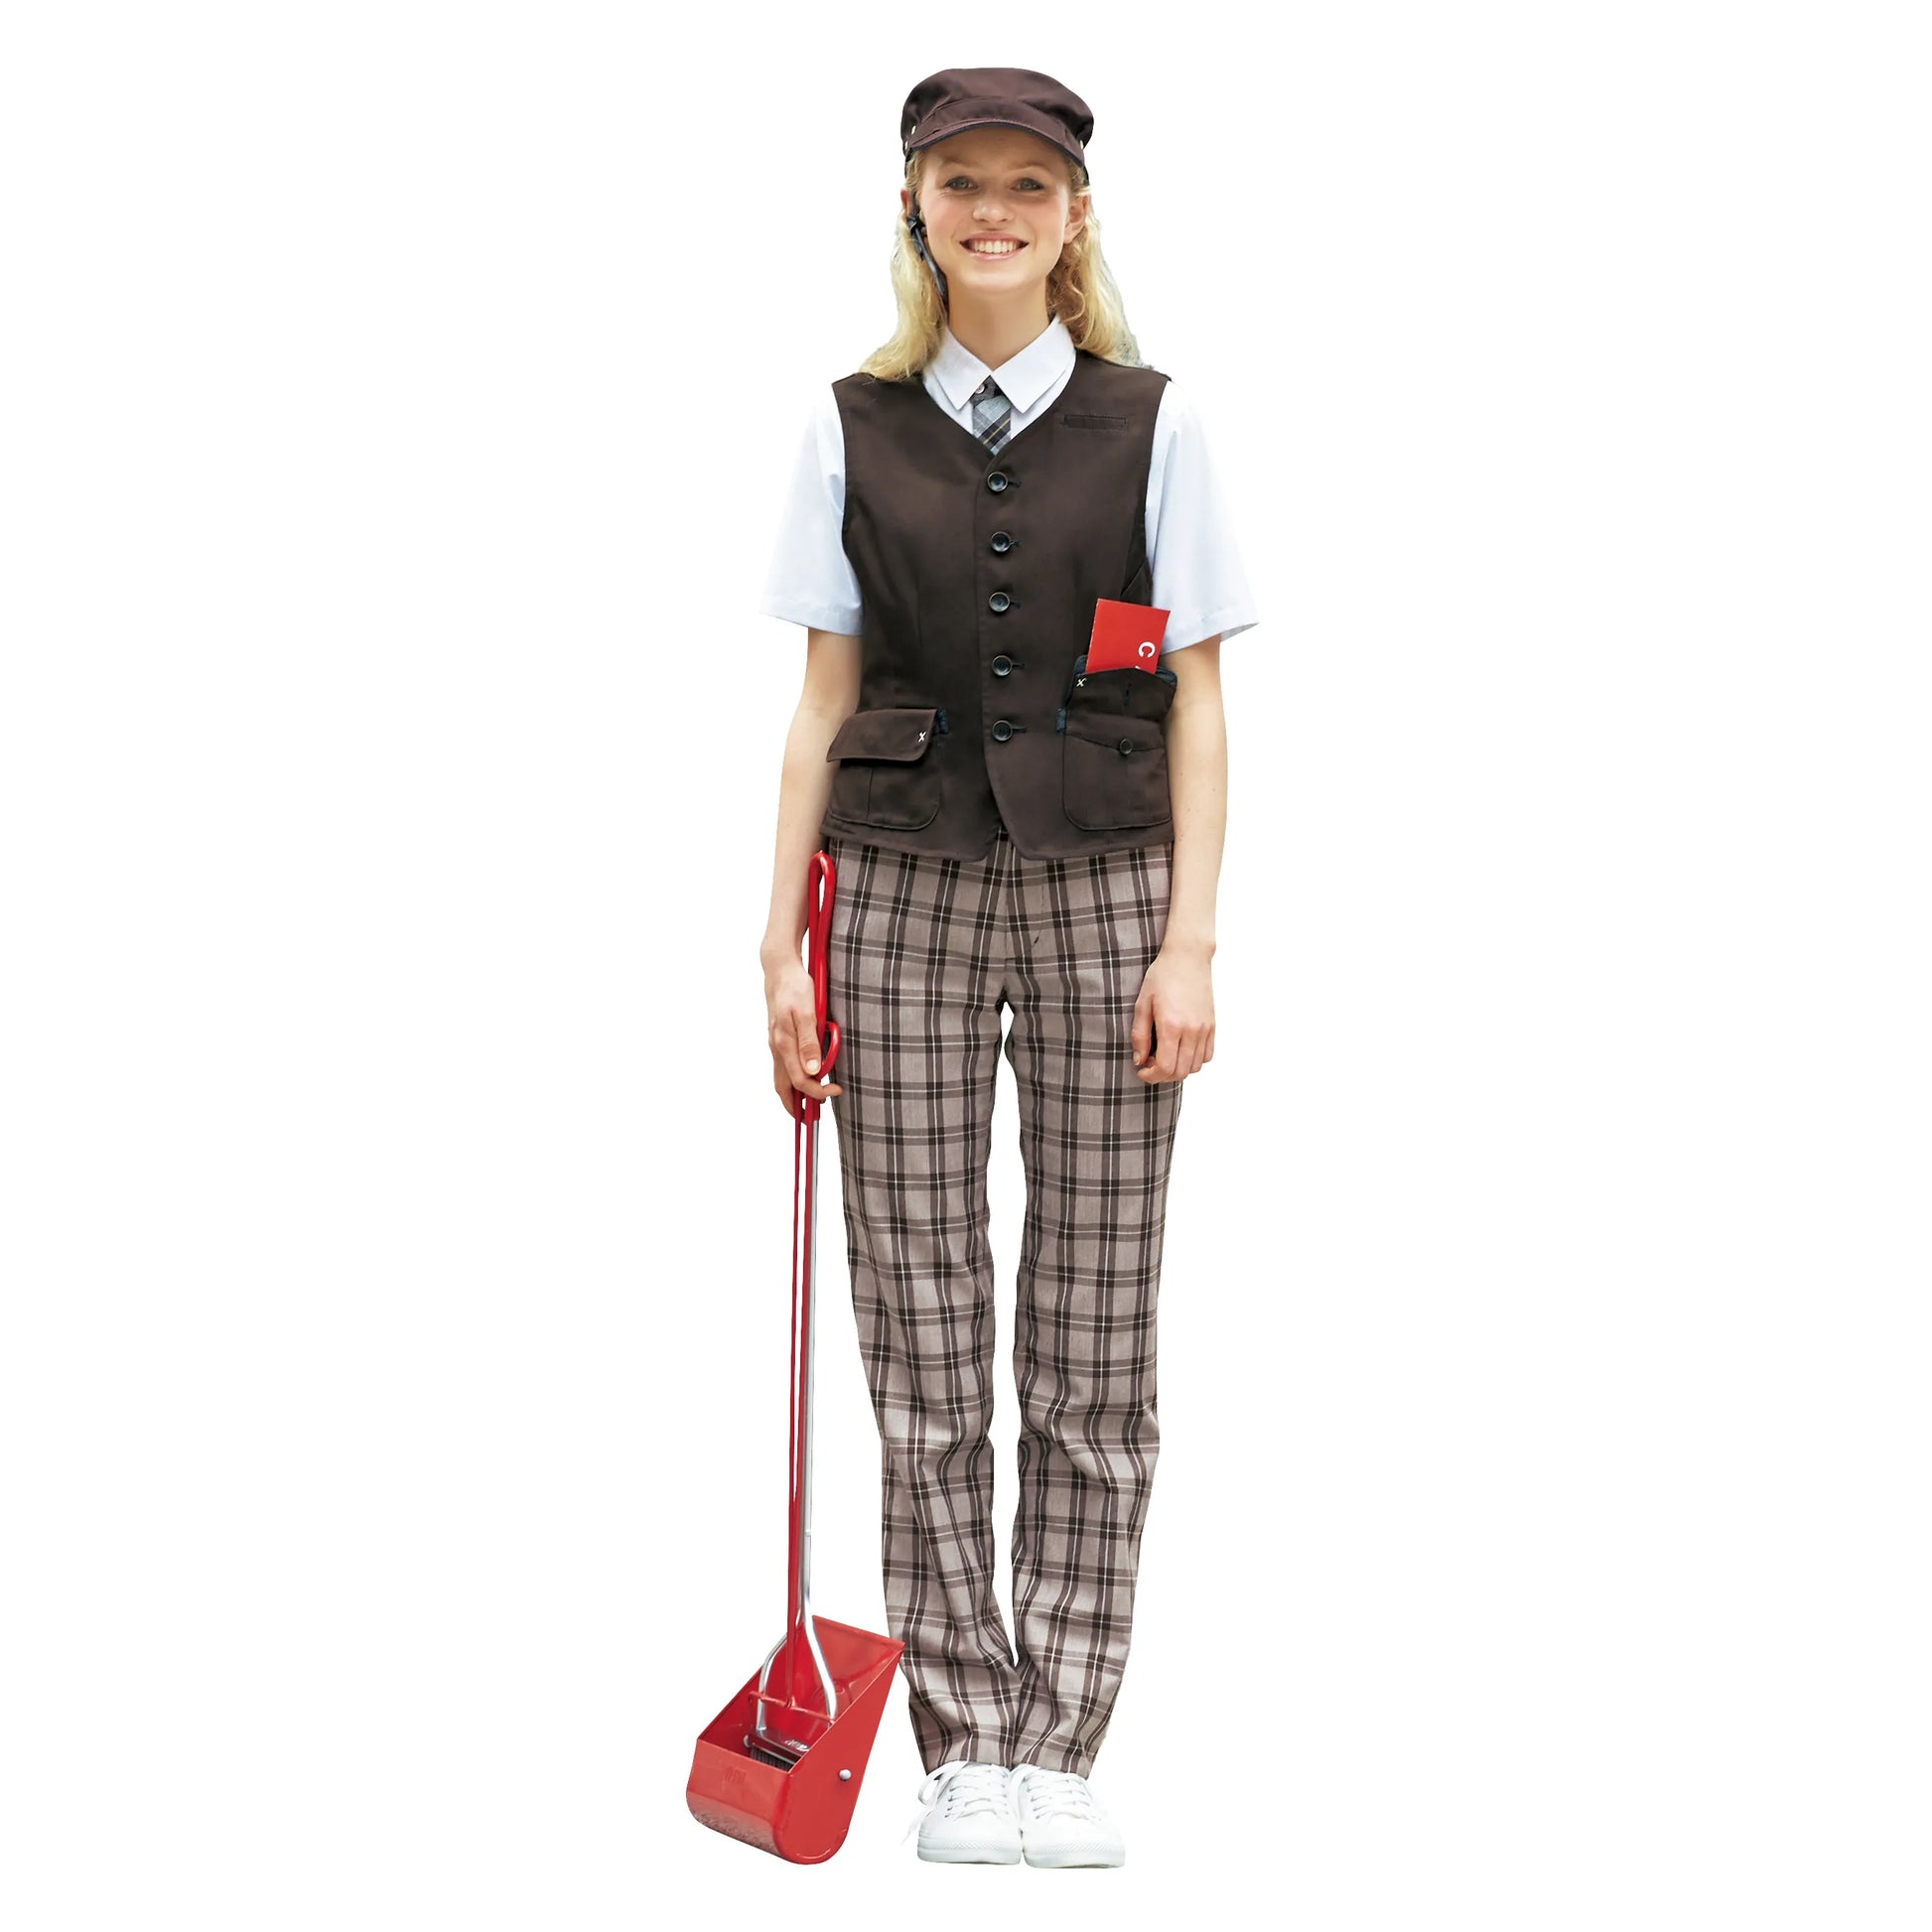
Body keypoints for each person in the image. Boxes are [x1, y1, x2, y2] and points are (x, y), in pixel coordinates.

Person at [756, 66, 1258, 1868]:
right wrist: (775, 939)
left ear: (1073, 217)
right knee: (922, 1318)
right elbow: (819, 704)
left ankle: (1064, 1734)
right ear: (913, 205)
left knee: (1094, 1322)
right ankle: (963, 1735)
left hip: (1109, 887)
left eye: (1025, 186)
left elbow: (1197, 699)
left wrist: (1190, 936)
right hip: (893, 887)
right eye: (959, 182)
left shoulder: (1153, 424)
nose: (992, 212)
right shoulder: (850, 426)